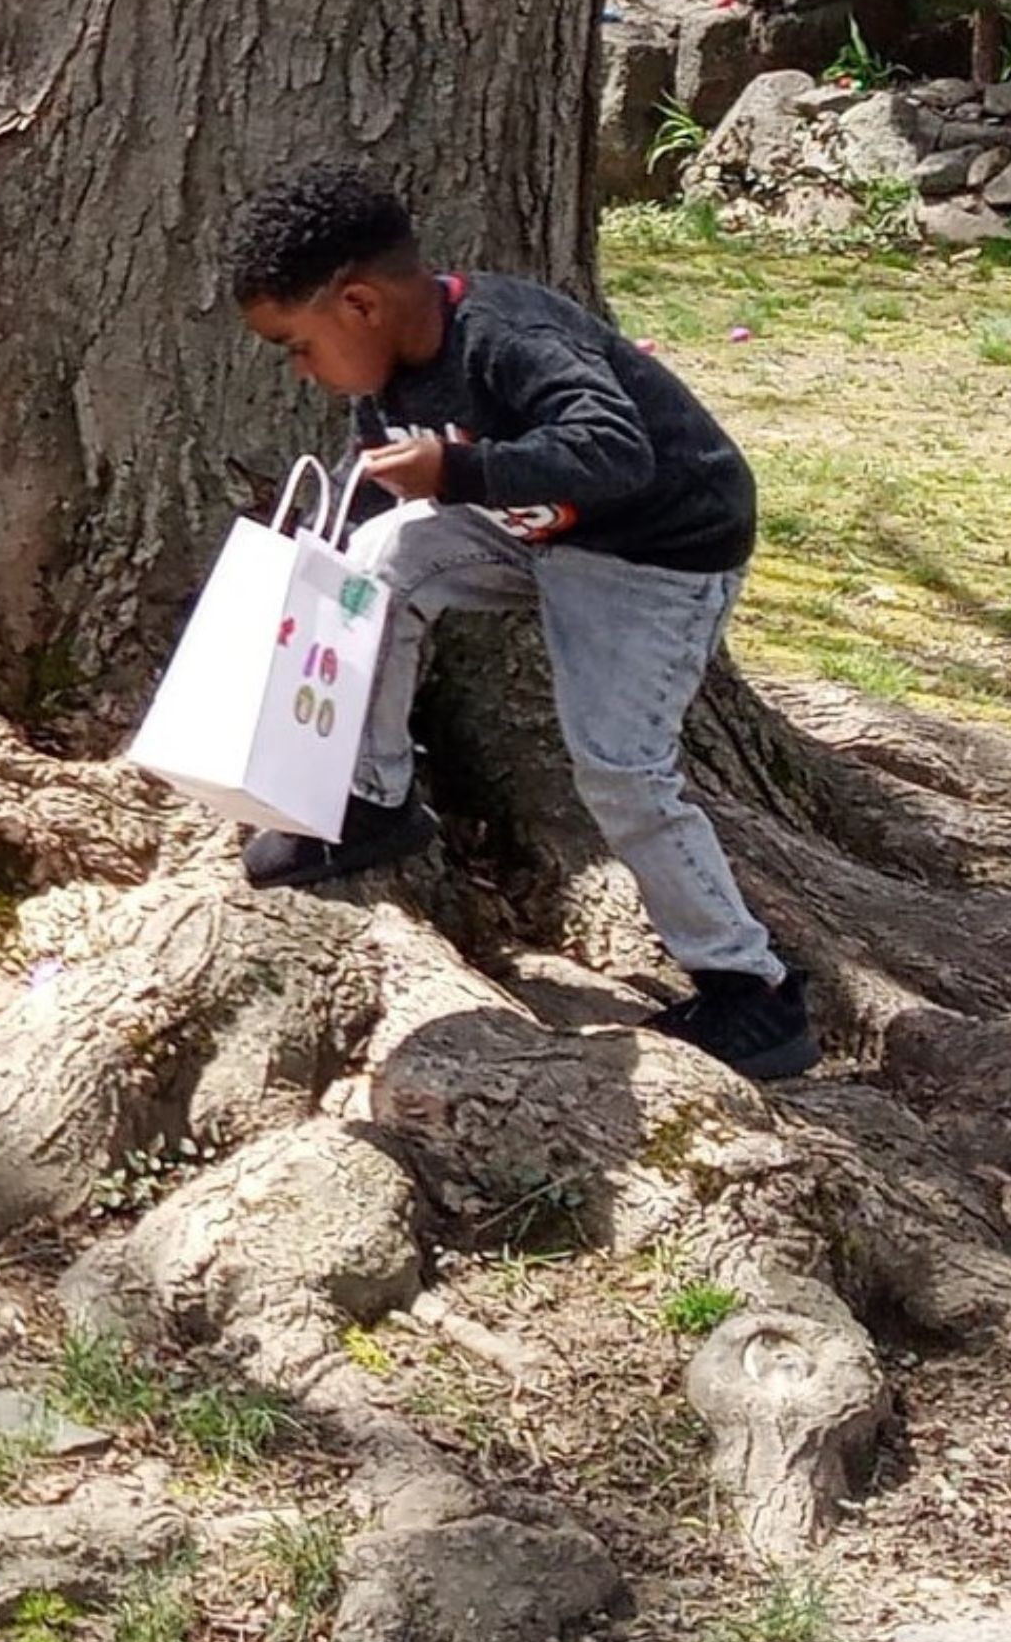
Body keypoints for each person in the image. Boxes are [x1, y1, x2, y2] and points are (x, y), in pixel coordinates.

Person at [222, 164, 818, 1083]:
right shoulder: (385, 370)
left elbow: (616, 450)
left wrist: (457, 476)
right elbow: (396, 471)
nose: (300, 369)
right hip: (534, 532)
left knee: (620, 767)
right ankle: (373, 801)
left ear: (359, 305)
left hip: (655, 552)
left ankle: (753, 990)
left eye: (296, 345)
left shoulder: (508, 337)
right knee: (382, 562)